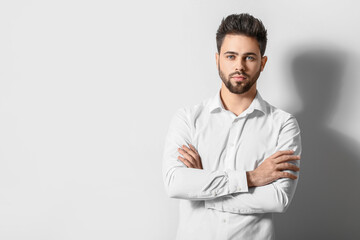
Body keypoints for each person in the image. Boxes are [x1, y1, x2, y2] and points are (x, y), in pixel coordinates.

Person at [162, 13, 301, 240]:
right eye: (230, 56)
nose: (239, 66)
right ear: (217, 59)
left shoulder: (283, 125)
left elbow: (277, 199)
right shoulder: (187, 119)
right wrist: (251, 178)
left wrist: (201, 189)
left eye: (249, 58)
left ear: (262, 63)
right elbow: (176, 184)